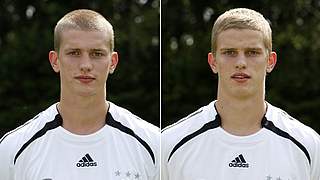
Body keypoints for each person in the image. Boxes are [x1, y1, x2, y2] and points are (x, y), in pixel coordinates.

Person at [161, 8, 320, 180]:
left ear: (270, 61)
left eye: (252, 52)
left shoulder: (309, 145)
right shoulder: (169, 144)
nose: (241, 63)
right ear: (213, 62)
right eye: (230, 52)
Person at [0, 9, 159, 180]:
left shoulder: (153, 143)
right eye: (74, 53)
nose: (85, 65)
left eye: (97, 54)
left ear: (112, 62)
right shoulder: (12, 149)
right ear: (55, 61)